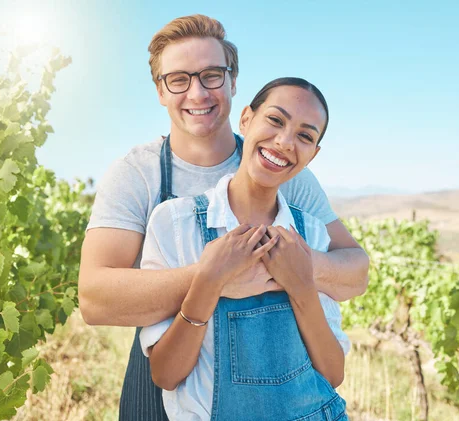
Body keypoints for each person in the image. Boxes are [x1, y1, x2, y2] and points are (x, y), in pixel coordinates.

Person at [78, 14, 369, 420]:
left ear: (233, 82)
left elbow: (355, 272)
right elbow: (95, 299)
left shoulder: (283, 169)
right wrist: (213, 279)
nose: (197, 93)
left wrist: (298, 270)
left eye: (212, 75)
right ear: (161, 91)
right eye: (178, 79)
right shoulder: (137, 175)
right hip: (168, 376)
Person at [139, 77, 350, 421]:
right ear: (246, 119)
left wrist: (302, 286)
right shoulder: (175, 224)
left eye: (305, 136)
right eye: (275, 120)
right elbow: (166, 374)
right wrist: (209, 281)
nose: (284, 142)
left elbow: (332, 373)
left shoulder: (311, 233)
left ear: (313, 154)